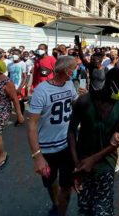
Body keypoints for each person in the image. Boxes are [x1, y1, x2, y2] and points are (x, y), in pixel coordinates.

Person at [68, 68, 119, 216]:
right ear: (110, 83)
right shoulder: (84, 101)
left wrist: (93, 159)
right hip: (82, 164)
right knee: (84, 208)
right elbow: (71, 131)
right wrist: (77, 164)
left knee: (102, 210)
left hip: (105, 165)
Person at [27, 56, 78, 216]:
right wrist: (37, 156)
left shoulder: (69, 84)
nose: (76, 72)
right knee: (49, 181)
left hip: (66, 144)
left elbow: (74, 103)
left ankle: (61, 209)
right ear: (67, 71)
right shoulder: (42, 91)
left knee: (67, 185)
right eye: (74, 69)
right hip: (47, 148)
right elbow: (32, 124)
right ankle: (56, 203)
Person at [7, 49, 27, 126]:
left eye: (16, 54)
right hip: (11, 86)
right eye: (13, 54)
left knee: (19, 102)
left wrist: (20, 88)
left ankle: (20, 117)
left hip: (19, 86)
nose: (14, 55)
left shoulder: (22, 64)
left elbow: (25, 77)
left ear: (19, 55)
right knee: (10, 101)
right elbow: (9, 76)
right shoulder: (9, 65)